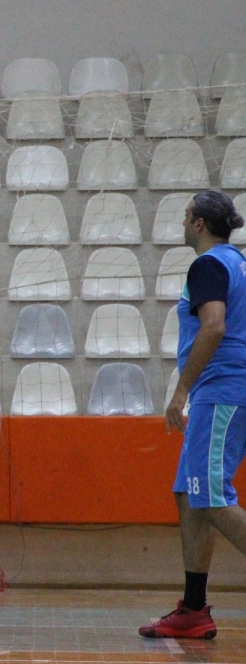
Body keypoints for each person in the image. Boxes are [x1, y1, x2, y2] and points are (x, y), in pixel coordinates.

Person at [140, 191, 246, 640]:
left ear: (199, 224)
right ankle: (194, 608)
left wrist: (181, 390)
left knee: (211, 496)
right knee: (190, 492)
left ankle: (195, 608)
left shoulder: (209, 265)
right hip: (226, 390)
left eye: (186, 216)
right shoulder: (238, 263)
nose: (183, 223)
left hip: (221, 391)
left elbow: (214, 325)